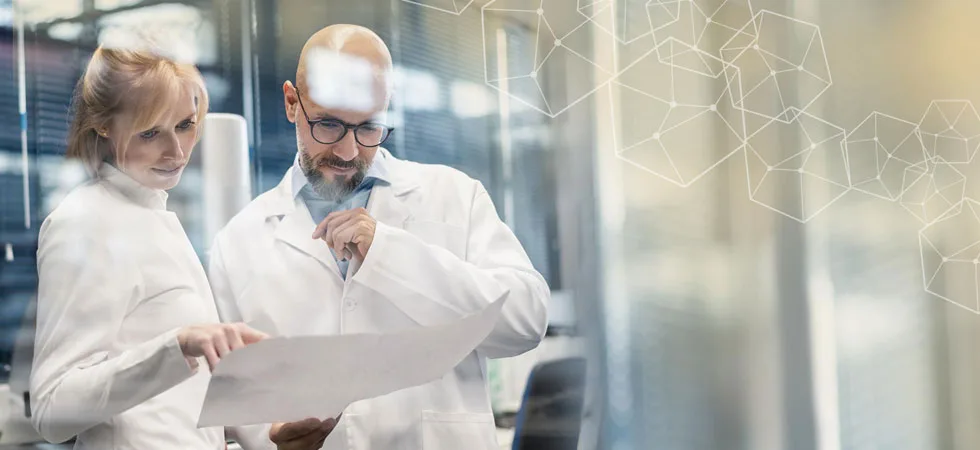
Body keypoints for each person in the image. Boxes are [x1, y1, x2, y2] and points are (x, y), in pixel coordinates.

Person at [208, 24, 550, 449]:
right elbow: (225, 407)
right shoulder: (238, 242)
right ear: (292, 103)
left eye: (369, 127)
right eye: (328, 125)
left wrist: (391, 254)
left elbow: (526, 320)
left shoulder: (454, 196)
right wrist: (273, 440)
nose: (349, 152)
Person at [29, 44, 334, 450]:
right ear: (103, 127)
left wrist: (269, 434)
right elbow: (52, 411)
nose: (176, 152)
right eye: (150, 132)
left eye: (186, 124)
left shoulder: (153, 215)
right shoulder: (85, 222)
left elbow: (169, 406)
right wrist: (176, 347)